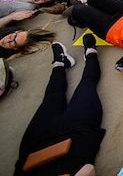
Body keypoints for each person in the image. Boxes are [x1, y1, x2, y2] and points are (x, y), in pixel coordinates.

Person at [14, 37, 104, 176]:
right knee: (87, 84)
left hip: (35, 146)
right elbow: (88, 169)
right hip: (76, 135)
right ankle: (91, 52)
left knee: (52, 96)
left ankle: (59, 63)